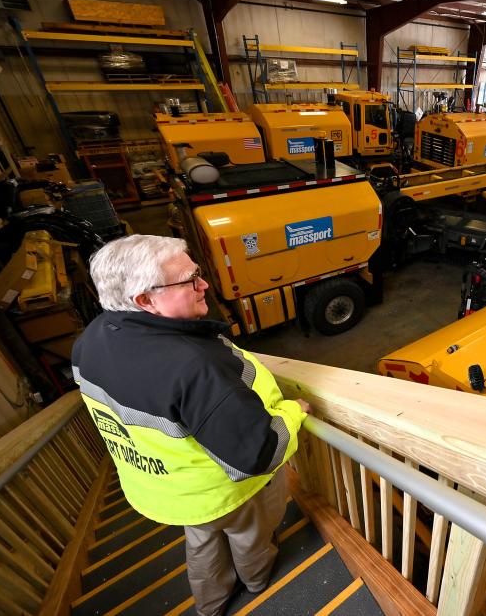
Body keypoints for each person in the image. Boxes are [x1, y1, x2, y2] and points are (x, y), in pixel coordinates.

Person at [72, 234, 309, 616]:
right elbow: (258, 453)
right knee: (250, 537)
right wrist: (291, 413)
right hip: (224, 490)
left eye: (196, 273)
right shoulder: (193, 366)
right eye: (188, 280)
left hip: (167, 490)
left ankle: (210, 605)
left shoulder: (92, 339)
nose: (204, 285)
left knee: (201, 541)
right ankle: (257, 582)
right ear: (145, 300)